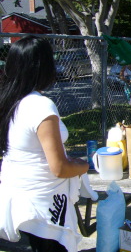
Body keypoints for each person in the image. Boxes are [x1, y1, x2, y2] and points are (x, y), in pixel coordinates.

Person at [0, 35, 89, 252]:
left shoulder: (10, 101)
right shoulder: (40, 106)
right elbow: (59, 168)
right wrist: (84, 166)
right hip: (44, 203)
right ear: (44, 66)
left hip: (20, 196)